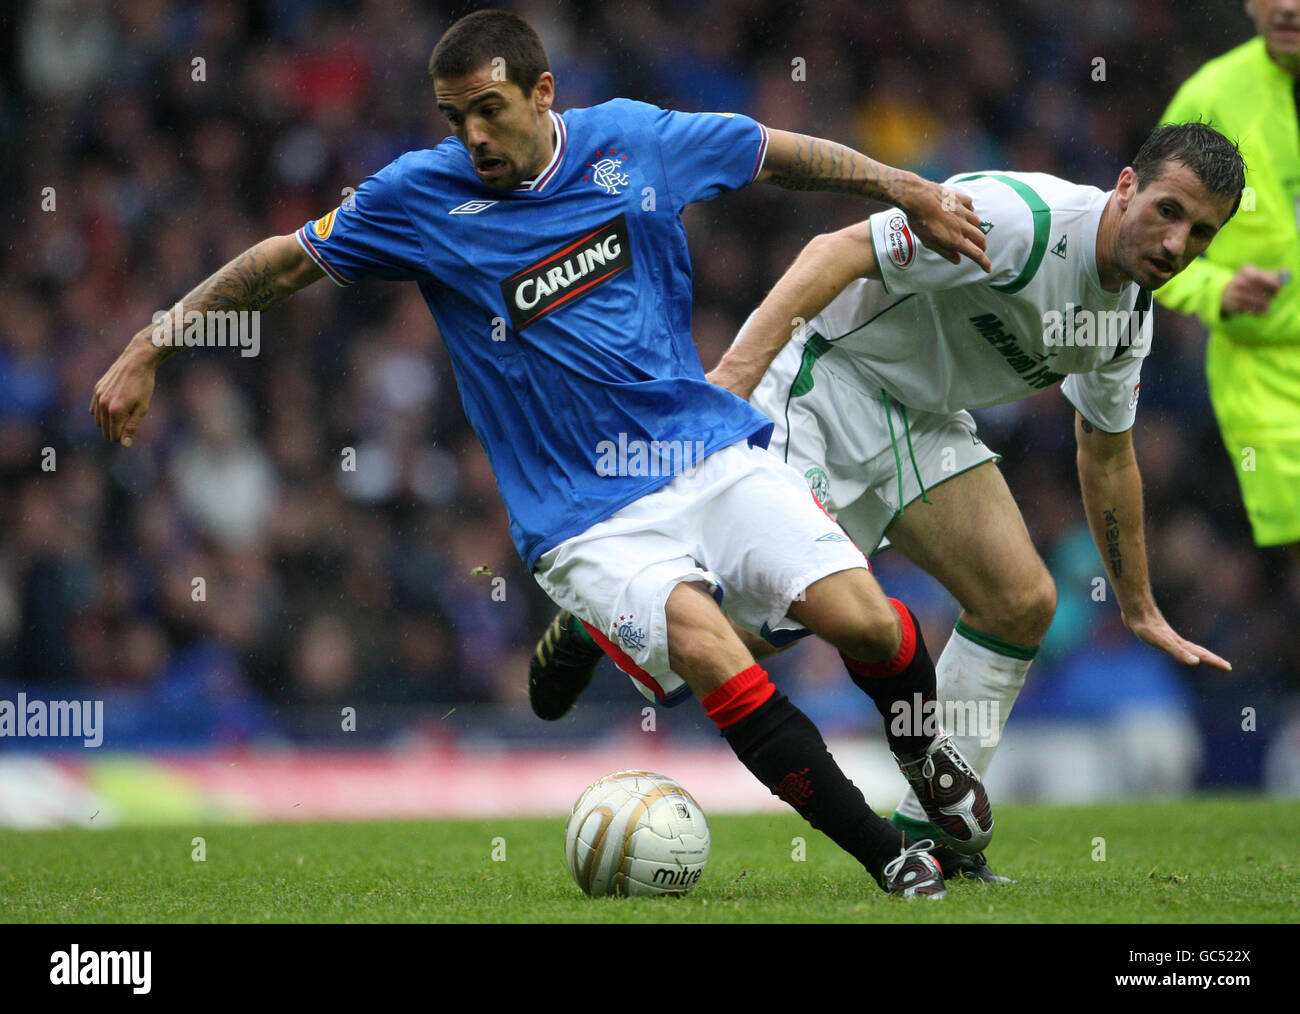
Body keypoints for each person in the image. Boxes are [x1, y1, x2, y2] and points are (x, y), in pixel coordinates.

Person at [90, 9, 994, 899]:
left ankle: (922, 753)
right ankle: (887, 857)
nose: (472, 135)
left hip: (705, 447)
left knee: (869, 624)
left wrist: (906, 188)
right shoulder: (421, 196)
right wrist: (150, 343)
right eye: (454, 117)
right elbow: (282, 264)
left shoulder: (635, 140)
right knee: (714, 649)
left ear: (543, 91)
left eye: (489, 109)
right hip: (580, 513)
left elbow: (777, 154)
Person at [530, 121, 1243, 881]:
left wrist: (1137, 605)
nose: (1176, 243)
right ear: (1127, 186)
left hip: (924, 422)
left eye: (1201, 234)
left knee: (1021, 600)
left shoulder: (1126, 320)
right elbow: (832, 252)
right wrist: (734, 379)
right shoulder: (1020, 222)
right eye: (1169, 210)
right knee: (754, 634)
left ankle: (940, 837)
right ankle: (601, 614)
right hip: (827, 379)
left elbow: (1106, 453)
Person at [1154, 0, 1300, 556]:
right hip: (1267, 379)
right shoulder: (1211, 97)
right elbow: (1136, 238)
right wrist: (1217, 290)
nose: (1286, 6)